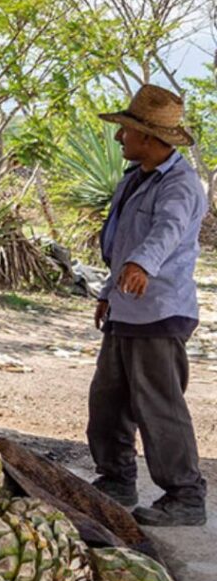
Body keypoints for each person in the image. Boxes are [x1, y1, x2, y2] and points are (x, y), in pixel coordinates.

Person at [89, 84, 208, 527]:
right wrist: (108, 290)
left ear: (150, 139)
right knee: (108, 401)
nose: (120, 138)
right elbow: (124, 245)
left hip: (158, 310)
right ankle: (117, 479)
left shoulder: (179, 186)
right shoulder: (136, 177)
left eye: (127, 132)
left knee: (159, 405)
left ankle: (185, 495)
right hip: (127, 307)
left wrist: (142, 264)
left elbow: (167, 232)